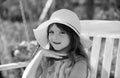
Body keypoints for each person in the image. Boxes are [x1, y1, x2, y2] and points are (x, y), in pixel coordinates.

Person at [22, 9, 92, 78]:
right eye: (51, 32)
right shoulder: (47, 59)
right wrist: (40, 54)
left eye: (62, 32)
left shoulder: (79, 62)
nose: (55, 37)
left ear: (72, 37)